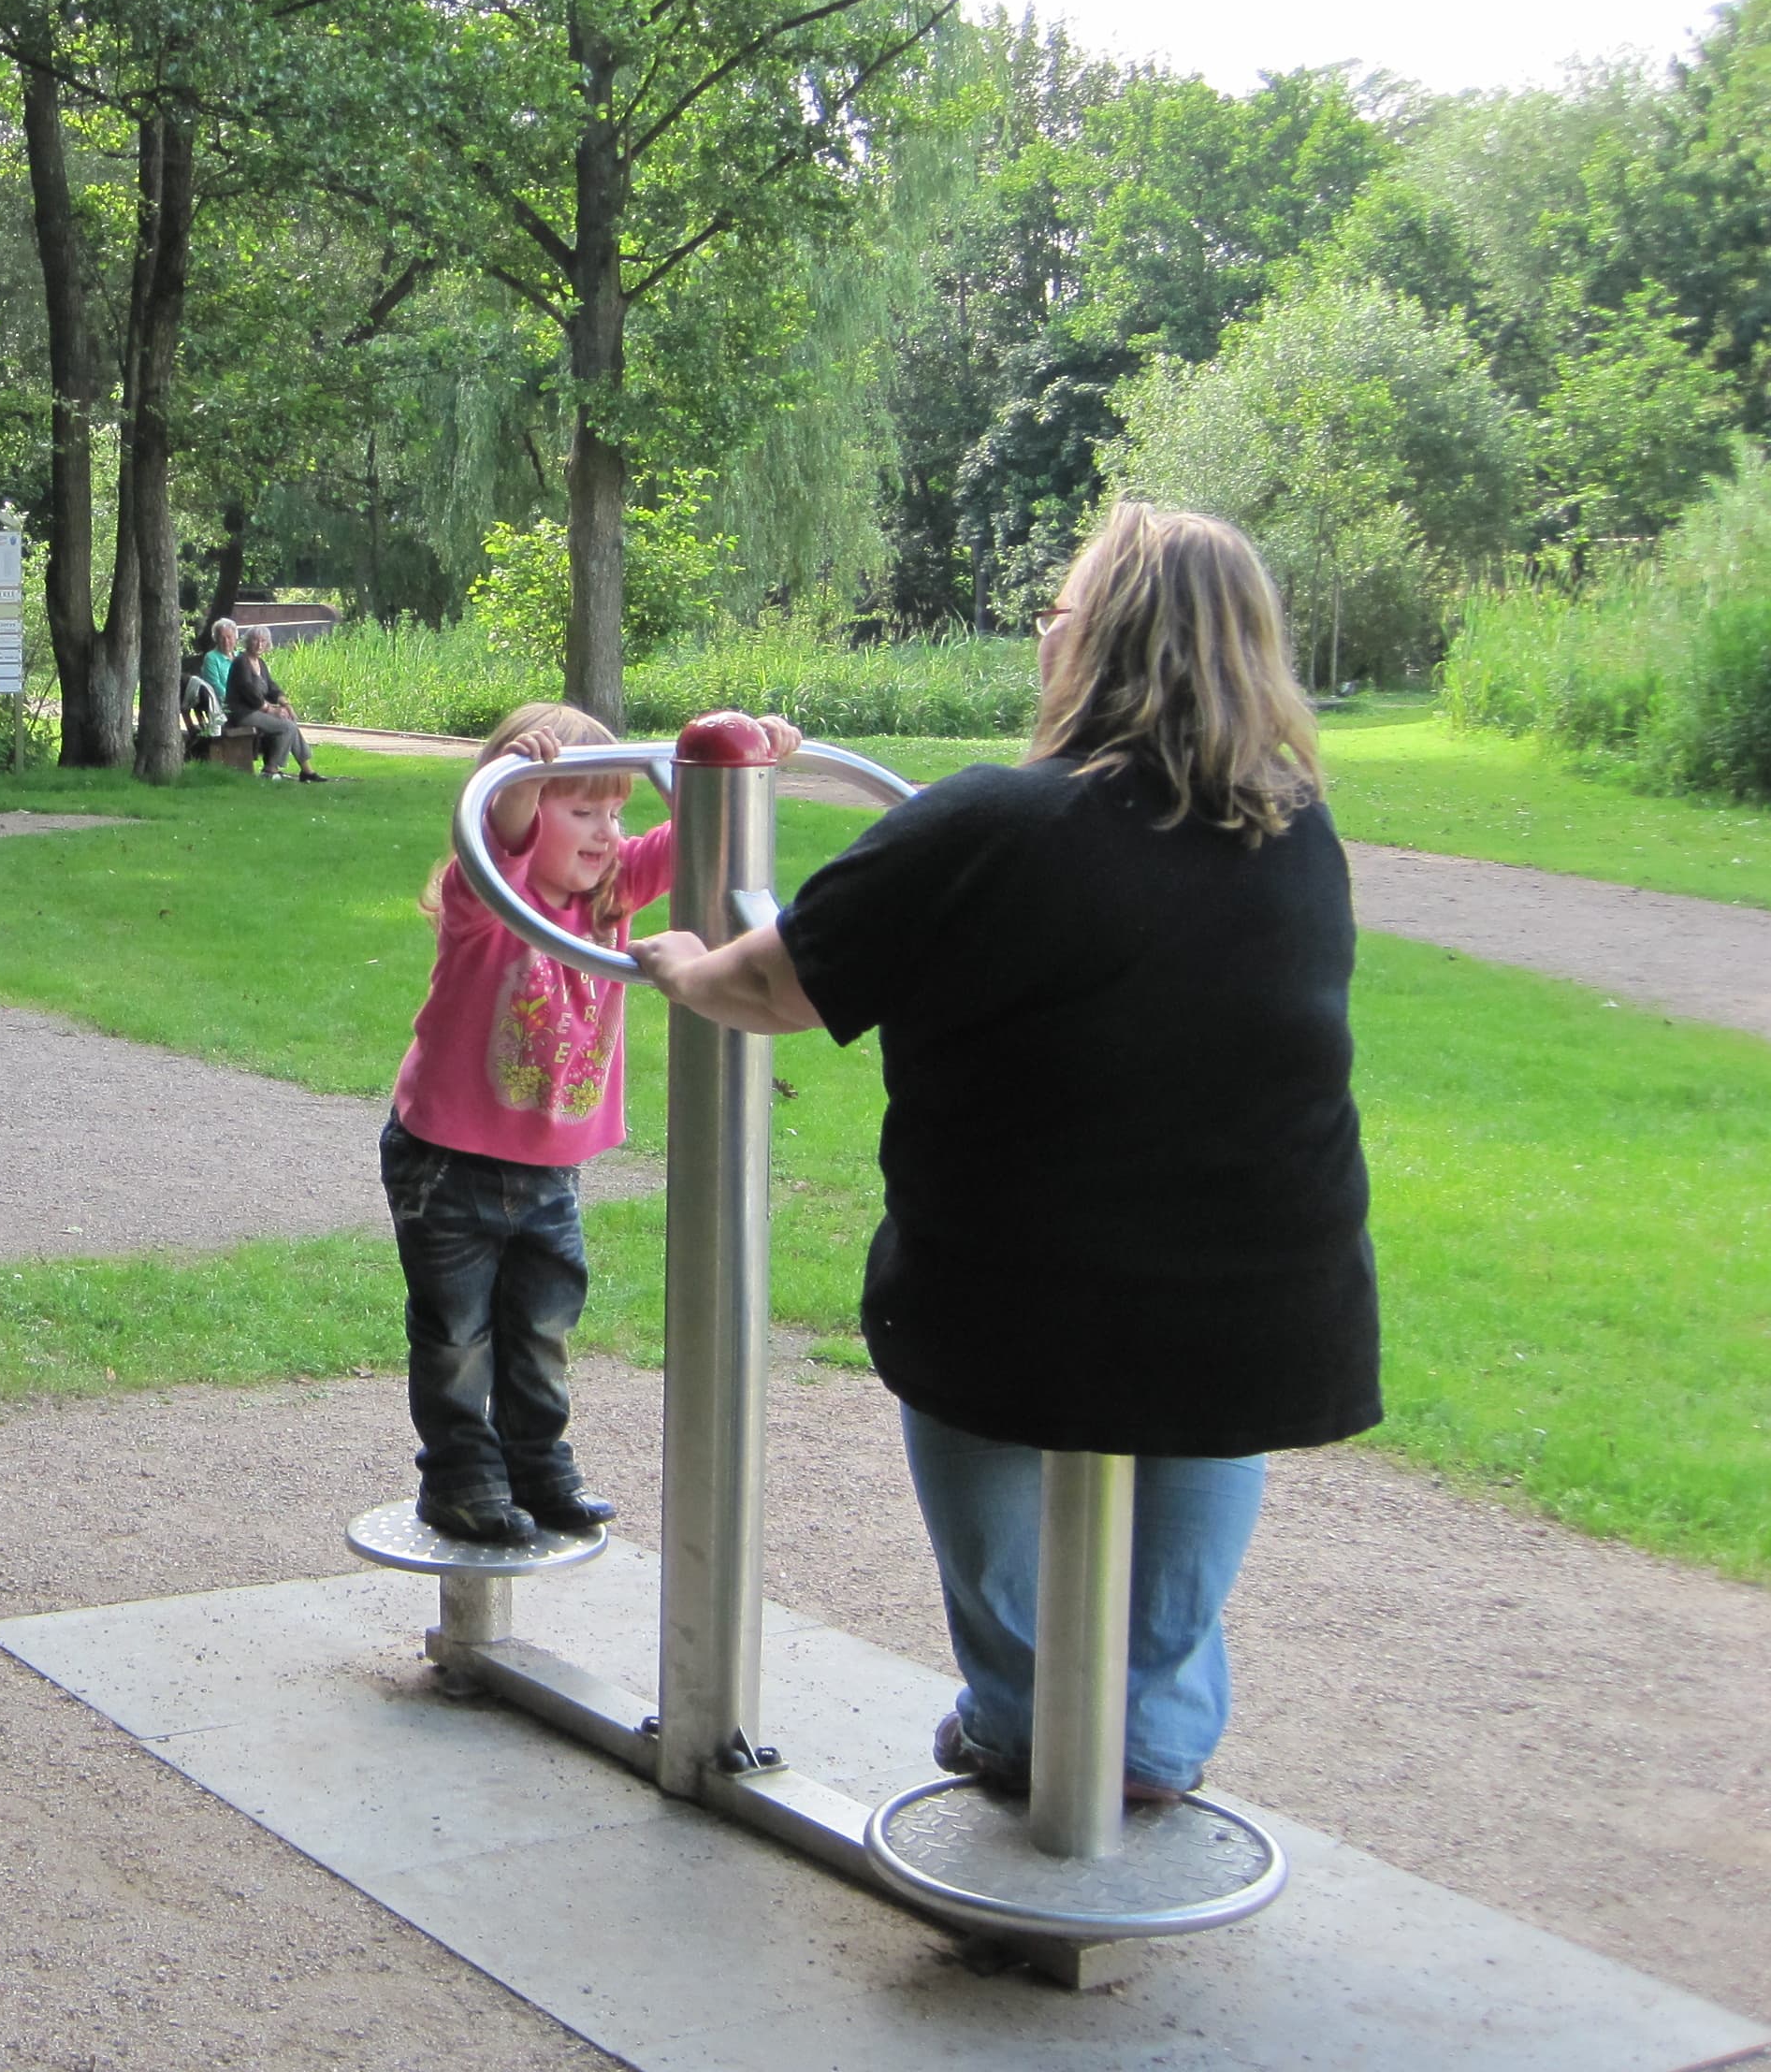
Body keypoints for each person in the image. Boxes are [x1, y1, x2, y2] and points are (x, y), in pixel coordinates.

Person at [629, 502, 1376, 1804]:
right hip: (1268, 1304)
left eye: (1056, 611)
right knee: (1185, 1433)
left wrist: (686, 965)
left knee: (1002, 1459)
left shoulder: (992, 824)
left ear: (1096, 640)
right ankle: (1150, 1735)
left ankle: (1028, 1720)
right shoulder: (1294, 831)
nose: (1044, 634)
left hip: (1011, 1305)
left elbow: (773, 984)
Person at [385, 700, 802, 1545]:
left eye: (616, 813)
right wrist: (518, 784)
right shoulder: (489, 898)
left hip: (550, 1171)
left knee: (541, 1327)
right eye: (582, 811)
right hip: (448, 1164)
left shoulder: (611, 896)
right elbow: (499, 835)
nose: (608, 833)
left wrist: (752, 763)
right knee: (457, 1334)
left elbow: (703, 836)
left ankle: (538, 1464)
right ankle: (461, 1478)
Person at [224, 626, 328, 782]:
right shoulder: (241, 662)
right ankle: (271, 769)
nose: (259, 644)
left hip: (255, 711)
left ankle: (307, 770)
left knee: (289, 722)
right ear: (248, 641)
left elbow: (271, 687)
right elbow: (248, 690)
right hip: (242, 713)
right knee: (287, 727)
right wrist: (270, 710)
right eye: (255, 640)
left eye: (263, 641)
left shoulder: (260, 663)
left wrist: (286, 705)